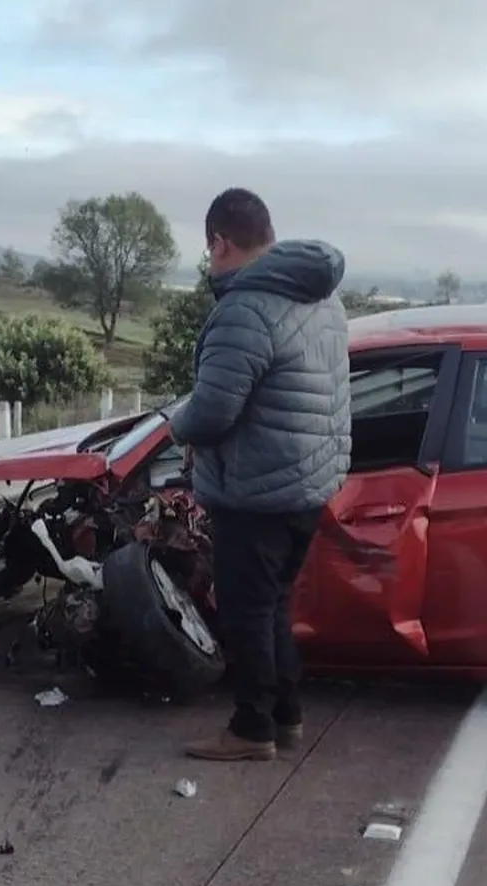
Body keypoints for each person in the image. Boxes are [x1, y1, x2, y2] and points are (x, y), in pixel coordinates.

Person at [168, 187, 351, 762]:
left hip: (255, 491)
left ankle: (251, 730)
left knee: (247, 613)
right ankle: (286, 717)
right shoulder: (323, 301)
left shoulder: (244, 308)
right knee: (273, 607)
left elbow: (214, 410)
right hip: (306, 486)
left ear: (220, 242)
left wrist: (177, 424)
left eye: (210, 249)